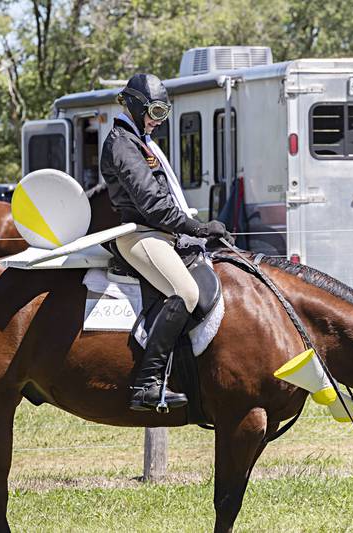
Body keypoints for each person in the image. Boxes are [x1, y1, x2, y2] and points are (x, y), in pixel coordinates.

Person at [100, 73, 232, 412]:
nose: (158, 122)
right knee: (185, 293)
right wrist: (198, 228)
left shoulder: (141, 141)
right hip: (139, 235)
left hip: (161, 232)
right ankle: (147, 384)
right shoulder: (121, 143)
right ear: (134, 105)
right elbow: (152, 205)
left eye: (163, 115)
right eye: (154, 113)